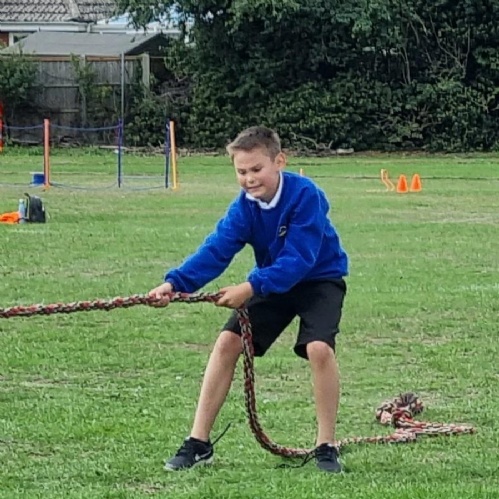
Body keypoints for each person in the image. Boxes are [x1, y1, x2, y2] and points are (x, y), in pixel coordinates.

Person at [148, 125, 349, 473]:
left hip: (319, 279)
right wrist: (175, 283)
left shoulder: (306, 196)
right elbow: (216, 250)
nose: (249, 179)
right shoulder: (244, 208)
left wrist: (250, 286)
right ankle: (198, 442)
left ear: (279, 161)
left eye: (256, 169)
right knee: (228, 342)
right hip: (272, 283)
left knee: (319, 348)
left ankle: (326, 446)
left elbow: (299, 258)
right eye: (241, 172)